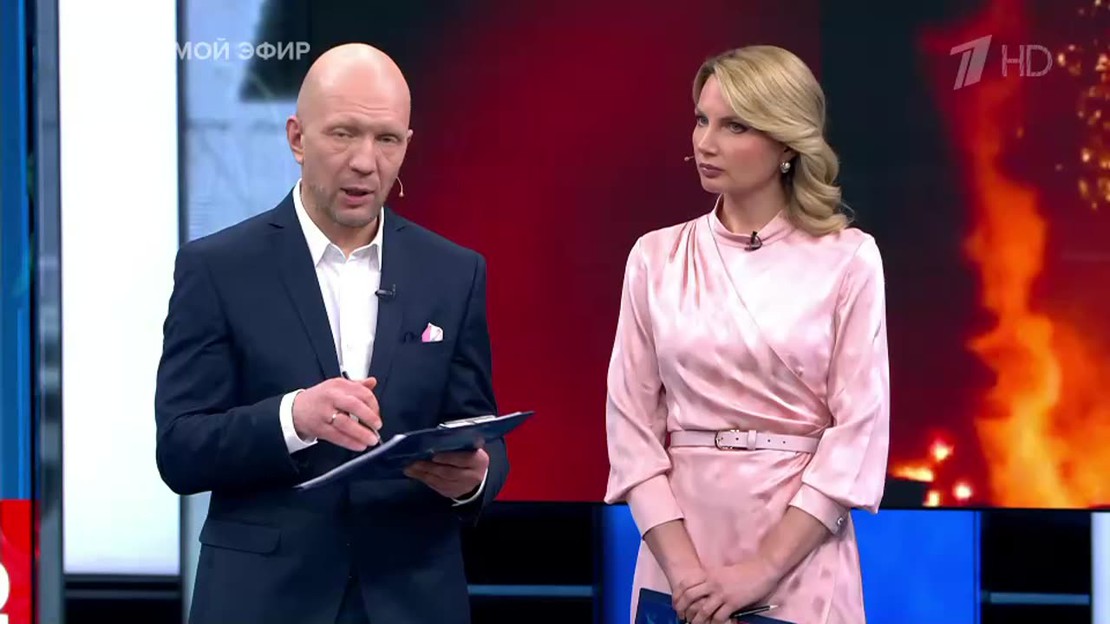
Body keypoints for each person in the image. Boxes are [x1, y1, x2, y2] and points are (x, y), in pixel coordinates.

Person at [154, 43, 508, 624]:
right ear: (297, 138)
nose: (365, 161)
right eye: (343, 134)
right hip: (263, 602)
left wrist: (476, 477)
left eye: (386, 139)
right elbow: (180, 449)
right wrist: (293, 418)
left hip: (411, 597)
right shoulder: (217, 268)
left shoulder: (454, 272)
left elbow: (477, 425)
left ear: (407, 145)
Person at [604, 45, 890, 624]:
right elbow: (630, 429)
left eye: (734, 126)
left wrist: (760, 570)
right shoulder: (655, 257)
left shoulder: (849, 259)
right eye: (701, 120)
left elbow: (858, 434)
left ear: (787, 143)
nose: (705, 143)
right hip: (677, 559)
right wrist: (686, 576)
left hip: (798, 557)